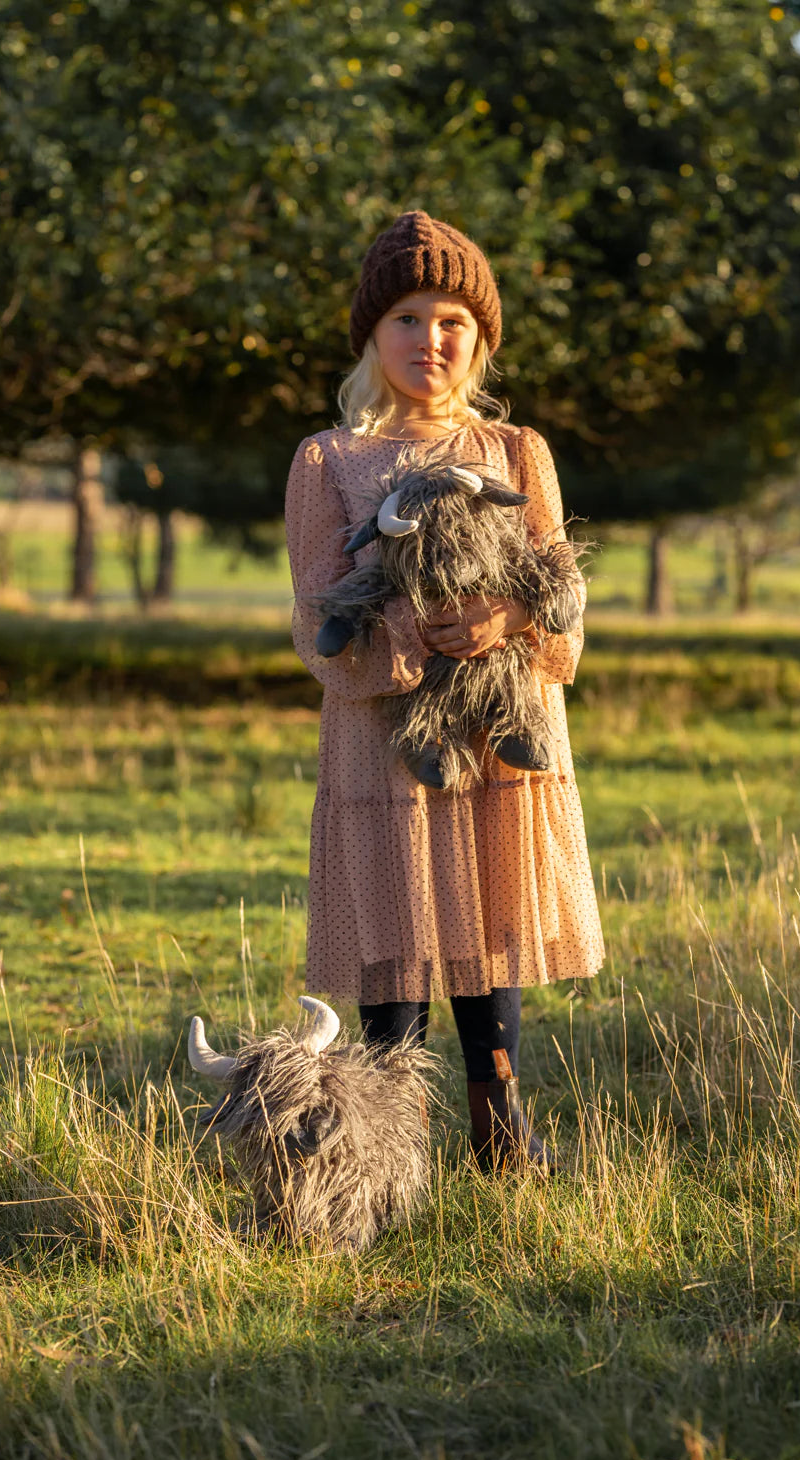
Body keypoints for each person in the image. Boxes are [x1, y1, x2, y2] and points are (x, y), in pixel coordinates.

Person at [284, 210, 604, 1170]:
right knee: (394, 915)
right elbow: (313, 619)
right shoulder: (328, 461)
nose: (432, 340)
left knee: (486, 915)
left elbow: (563, 588)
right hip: (384, 735)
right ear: (372, 337)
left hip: (496, 730)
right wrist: (405, 636)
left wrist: (508, 621)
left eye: (454, 320)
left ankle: (499, 1122)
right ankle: (390, 1140)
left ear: (481, 339)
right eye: (409, 319)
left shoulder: (518, 452)